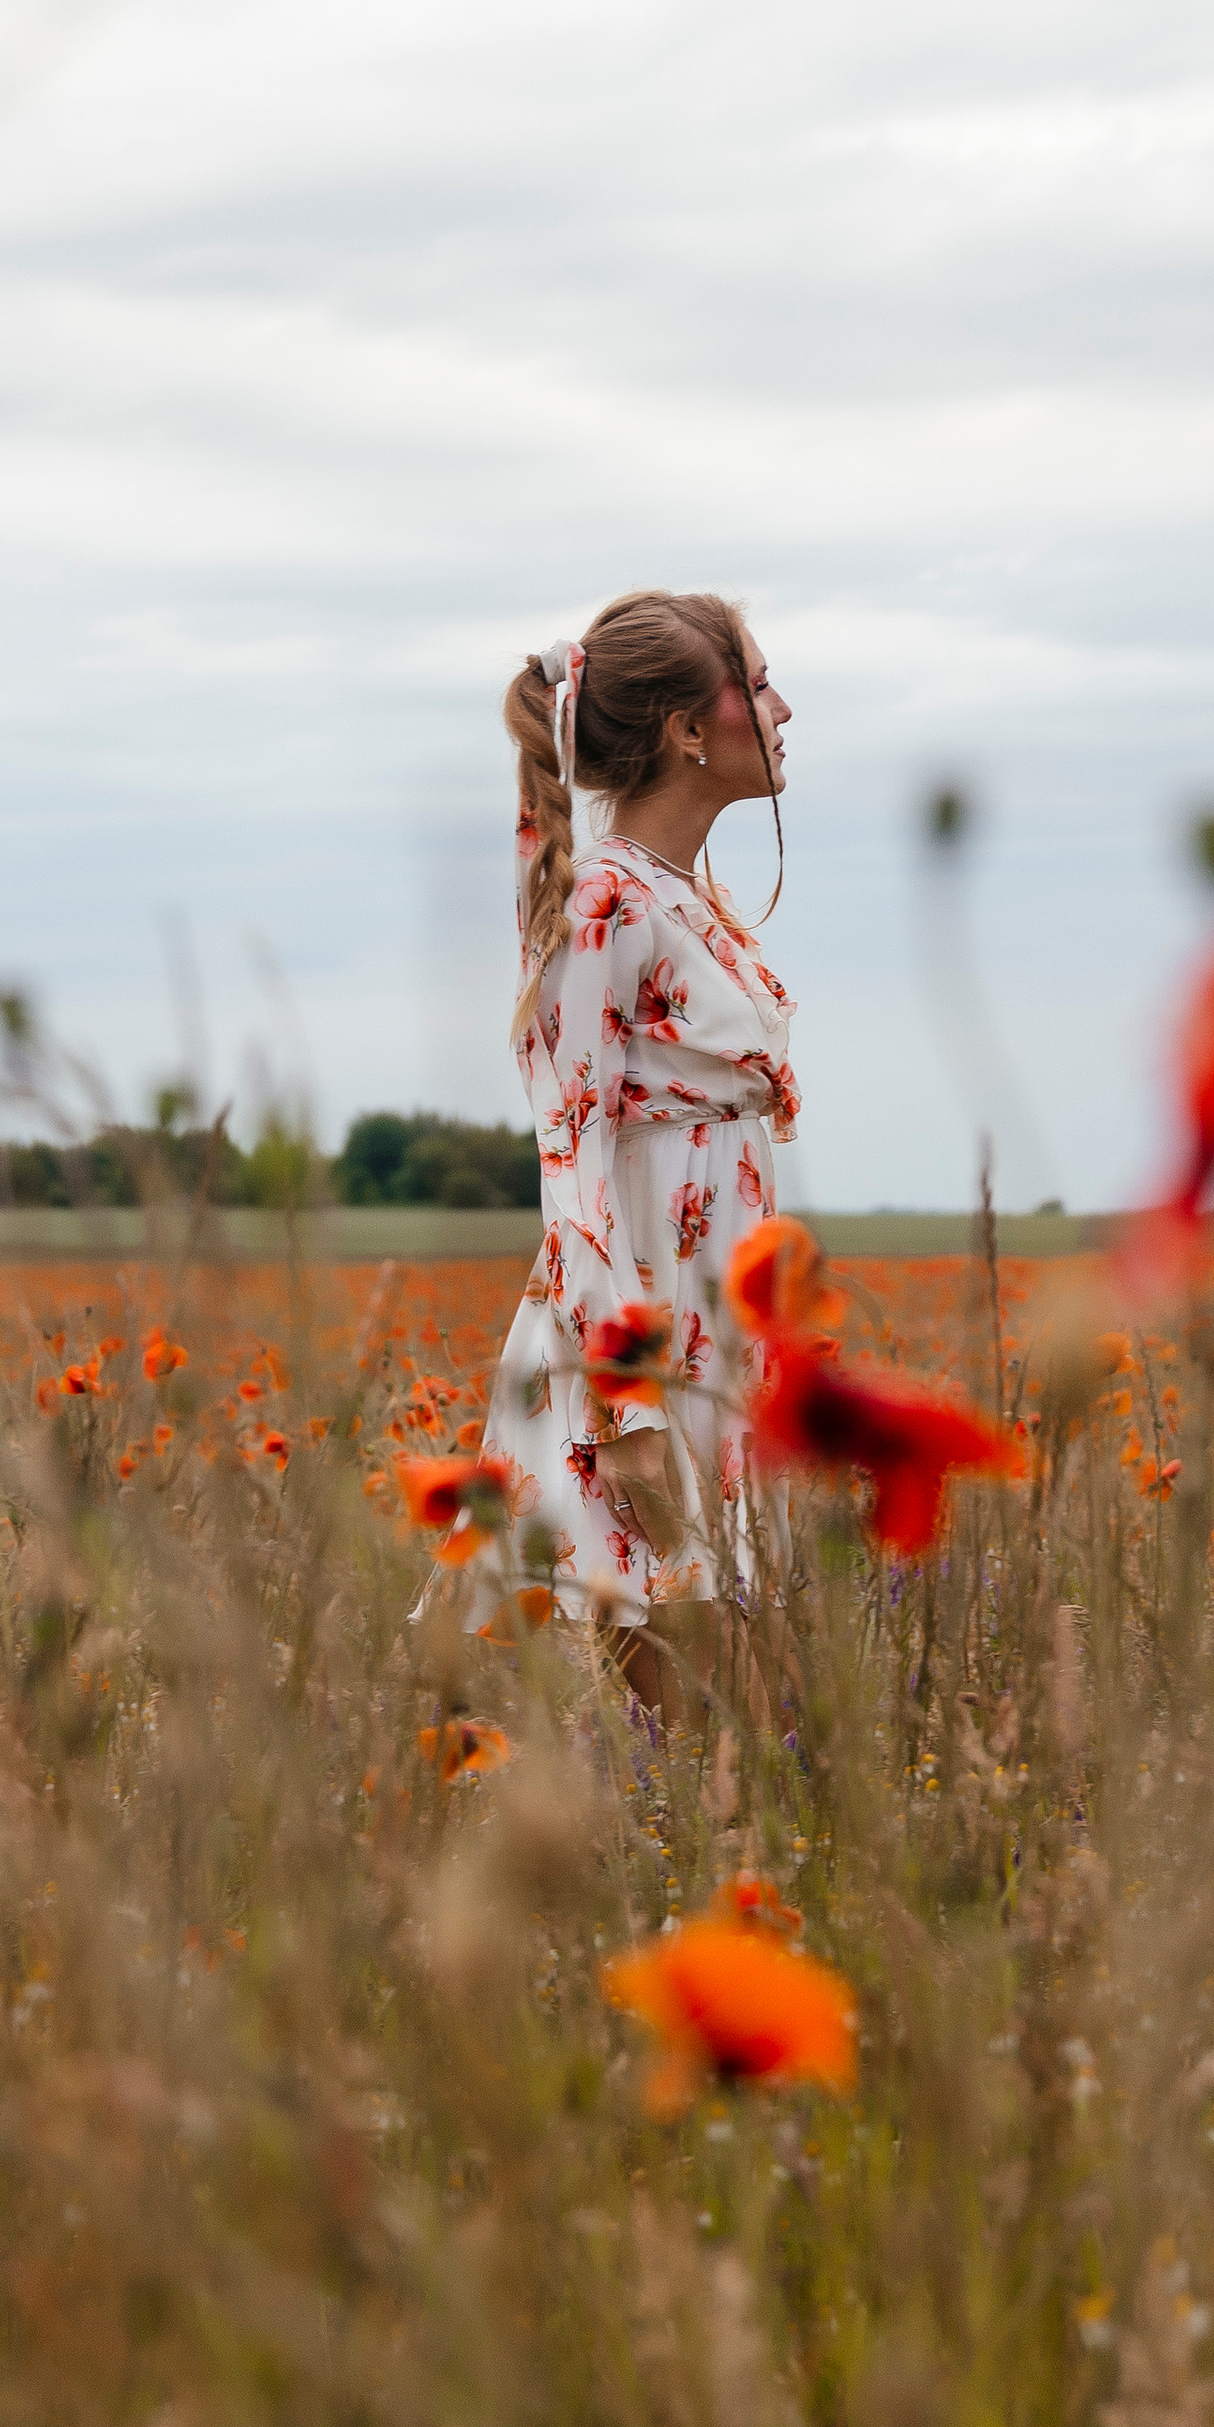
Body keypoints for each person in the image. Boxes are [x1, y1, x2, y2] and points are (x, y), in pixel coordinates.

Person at [474, 589, 798, 1709]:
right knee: (721, 1729)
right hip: (646, 1357)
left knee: (770, 1736)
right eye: (758, 687)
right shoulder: (605, 904)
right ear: (687, 729)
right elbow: (572, 1160)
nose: (784, 709)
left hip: (723, 1338)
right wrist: (634, 1414)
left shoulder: (678, 899)